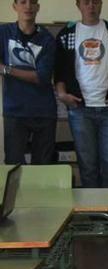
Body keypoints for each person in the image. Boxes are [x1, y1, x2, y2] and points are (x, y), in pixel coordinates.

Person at [54, 0, 108, 187]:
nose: (91, 6)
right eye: (86, 2)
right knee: (87, 166)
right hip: (80, 109)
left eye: (95, 2)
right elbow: (59, 70)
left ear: (101, 4)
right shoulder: (67, 34)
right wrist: (62, 94)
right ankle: (95, 214)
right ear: (78, 5)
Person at [0, 0, 56, 165]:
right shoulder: (3, 32)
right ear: (14, 6)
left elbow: (41, 77)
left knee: (42, 168)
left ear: (38, 7)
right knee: (13, 165)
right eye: (23, 2)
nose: (28, 7)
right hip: (15, 111)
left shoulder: (47, 39)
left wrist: (7, 69)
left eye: (32, 2)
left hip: (43, 112)